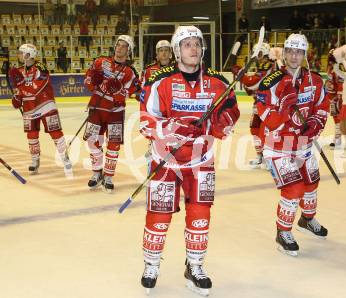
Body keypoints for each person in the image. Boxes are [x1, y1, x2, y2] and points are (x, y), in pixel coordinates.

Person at [139, 25, 240, 295]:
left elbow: (231, 112)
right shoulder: (160, 80)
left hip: (201, 160)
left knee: (200, 215)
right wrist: (174, 128)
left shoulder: (218, 81)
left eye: (197, 43)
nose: (193, 48)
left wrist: (214, 126)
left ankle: (194, 265)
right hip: (166, 159)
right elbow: (146, 121)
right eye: (187, 44)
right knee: (158, 216)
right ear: (176, 50)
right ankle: (151, 264)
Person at [255, 33, 329, 257]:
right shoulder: (270, 82)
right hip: (278, 145)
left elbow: (322, 106)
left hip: (303, 144)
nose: (294, 56)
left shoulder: (315, 80)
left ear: (304, 55)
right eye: (290, 51)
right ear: (284, 53)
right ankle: (282, 231)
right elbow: (267, 117)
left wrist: (315, 124)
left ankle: (307, 219)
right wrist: (283, 109)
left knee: (312, 182)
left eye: (299, 52)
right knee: (294, 189)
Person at [83, 35, 140, 192]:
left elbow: (129, 94)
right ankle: (96, 173)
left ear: (129, 51)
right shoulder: (101, 62)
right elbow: (87, 79)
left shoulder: (130, 72)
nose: (119, 48)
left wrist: (118, 91)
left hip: (115, 111)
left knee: (113, 145)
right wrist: (93, 82)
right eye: (118, 45)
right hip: (96, 108)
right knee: (92, 141)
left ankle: (108, 176)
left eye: (124, 46)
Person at [8, 43, 72, 174]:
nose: (18, 55)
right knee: (32, 136)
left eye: (21, 52)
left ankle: (64, 157)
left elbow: (36, 89)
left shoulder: (41, 68)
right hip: (29, 108)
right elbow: (19, 94)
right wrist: (16, 98)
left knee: (55, 132)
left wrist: (21, 87)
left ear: (28, 55)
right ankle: (34, 160)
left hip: (46, 105)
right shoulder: (19, 71)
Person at [232, 42, 275, 169]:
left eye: (260, 54)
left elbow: (252, 82)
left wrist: (239, 73)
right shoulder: (262, 66)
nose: (258, 57)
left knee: (264, 131)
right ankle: (260, 156)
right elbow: (251, 88)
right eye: (256, 55)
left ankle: (269, 158)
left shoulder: (268, 66)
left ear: (266, 54)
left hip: (268, 105)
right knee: (254, 128)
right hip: (258, 103)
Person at [326, 49, 344, 149]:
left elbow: (341, 85)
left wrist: (339, 99)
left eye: (330, 57)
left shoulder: (338, 69)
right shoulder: (331, 68)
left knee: (337, 118)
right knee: (336, 119)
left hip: (336, 99)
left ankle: (337, 139)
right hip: (331, 98)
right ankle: (337, 138)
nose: (329, 59)